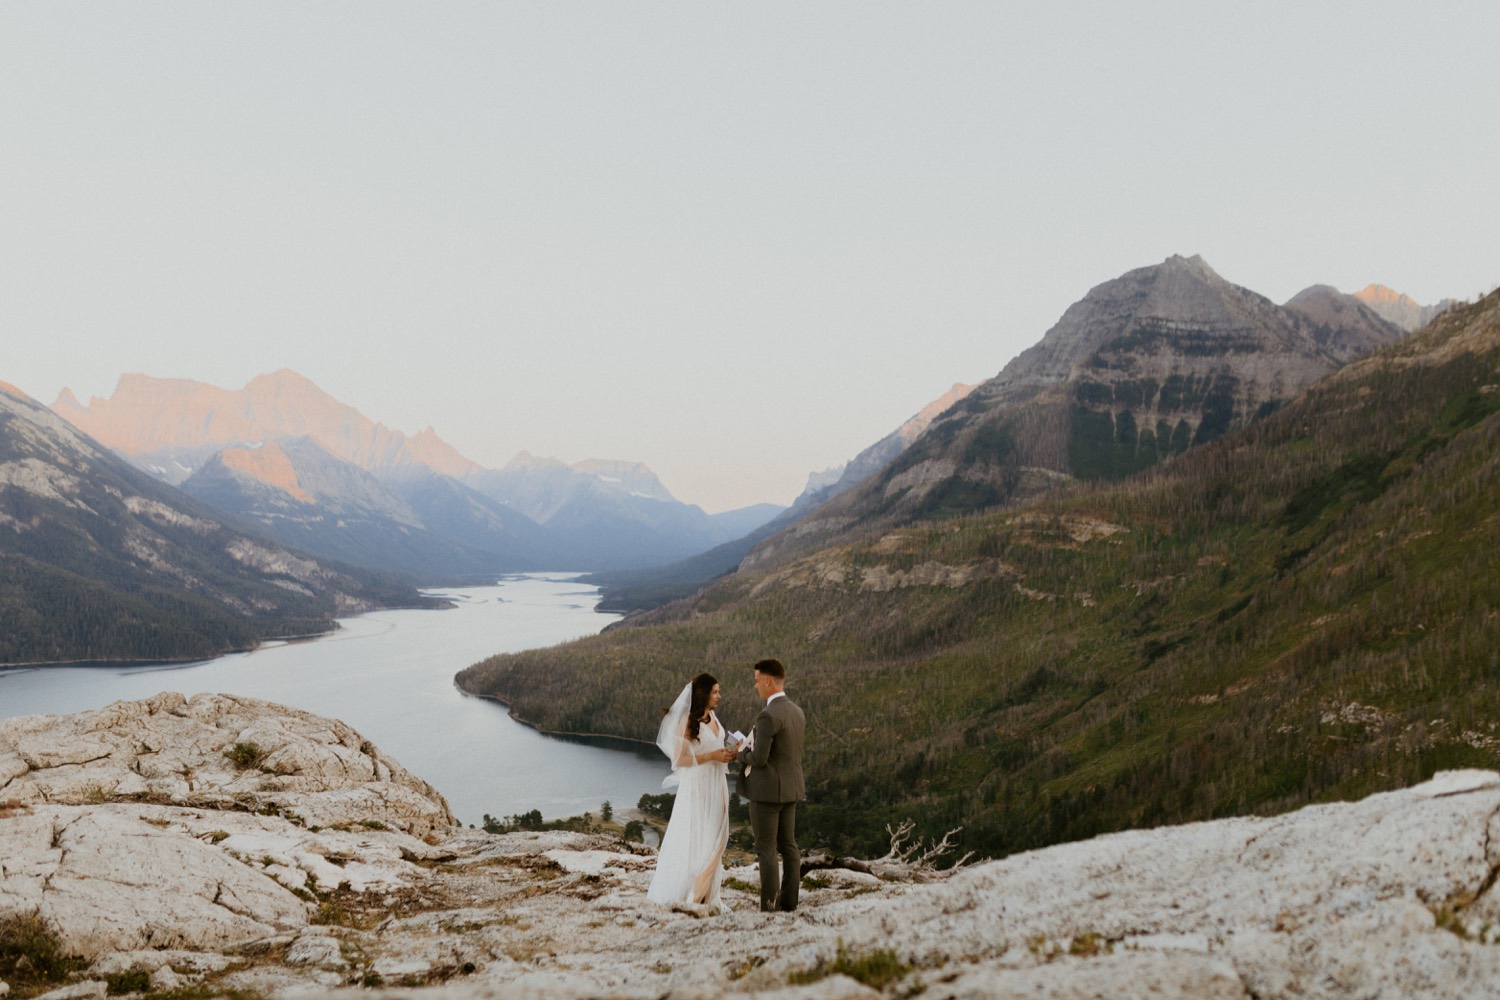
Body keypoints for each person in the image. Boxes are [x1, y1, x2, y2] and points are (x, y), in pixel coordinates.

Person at [646, 672, 738, 910]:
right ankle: (694, 897)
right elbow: (679, 759)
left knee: (719, 836)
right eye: (715, 692)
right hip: (697, 788)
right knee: (700, 839)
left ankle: (705, 893)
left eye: (718, 691)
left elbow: (716, 746)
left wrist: (728, 753)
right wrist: (711, 756)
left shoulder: (714, 717)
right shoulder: (687, 720)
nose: (719, 696)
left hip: (717, 785)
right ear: (703, 694)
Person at [735, 657, 805, 912]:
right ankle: (789, 903)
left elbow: (759, 759)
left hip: (766, 794)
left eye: (756, 682)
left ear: (767, 681)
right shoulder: (797, 711)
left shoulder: (768, 715)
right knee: (789, 846)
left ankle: (768, 906)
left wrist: (740, 752)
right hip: (791, 789)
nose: (755, 687)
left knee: (766, 849)